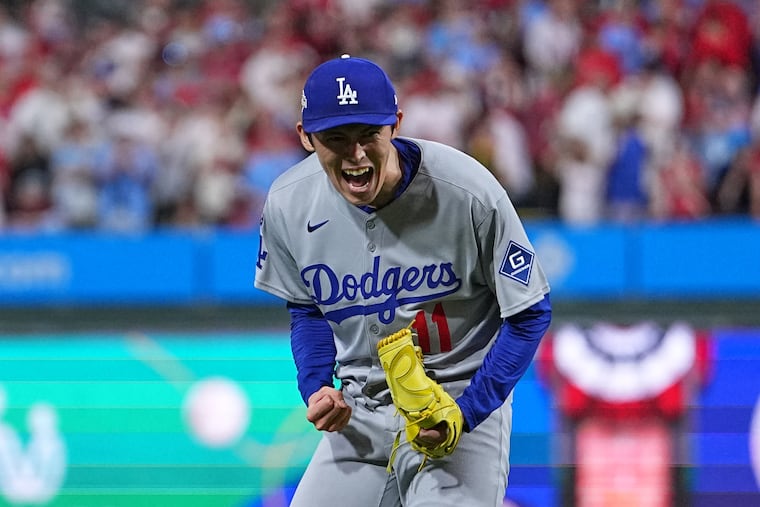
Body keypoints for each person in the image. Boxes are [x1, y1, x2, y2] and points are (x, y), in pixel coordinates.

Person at [254, 54, 551, 506]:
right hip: (361, 409)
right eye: (336, 138)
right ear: (306, 137)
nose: (356, 154)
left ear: (395, 123)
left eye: (369, 135)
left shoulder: (469, 191)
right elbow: (307, 308)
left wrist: (468, 411)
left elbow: (529, 312)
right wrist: (316, 385)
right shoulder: (288, 204)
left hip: (458, 401)